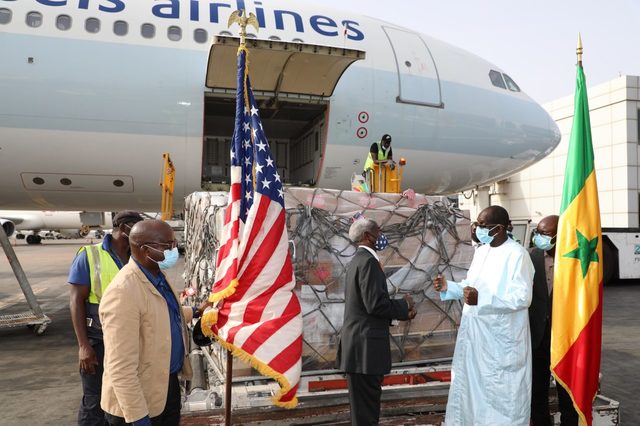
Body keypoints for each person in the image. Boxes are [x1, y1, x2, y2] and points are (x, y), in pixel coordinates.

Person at [433, 205, 534, 425]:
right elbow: (472, 287)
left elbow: (522, 297)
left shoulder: (518, 255)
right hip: (477, 338)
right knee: (471, 395)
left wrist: (484, 300)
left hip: (501, 341)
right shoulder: (482, 251)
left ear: (498, 229)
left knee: (502, 398)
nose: (477, 229)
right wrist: (448, 287)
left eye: (481, 225)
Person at [99, 219, 200, 426]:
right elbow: (120, 366)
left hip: (164, 386)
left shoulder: (157, 275)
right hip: (138, 401)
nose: (174, 250)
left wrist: (198, 311)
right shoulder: (123, 292)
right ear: (145, 250)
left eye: (174, 243)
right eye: (168, 246)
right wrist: (138, 417)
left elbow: (162, 314)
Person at [337, 217, 417, 425]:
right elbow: (375, 304)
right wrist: (403, 305)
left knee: (363, 410)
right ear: (367, 236)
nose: (381, 236)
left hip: (358, 347)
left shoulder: (357, 261)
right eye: (378, 232)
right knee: (367, 412)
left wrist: (399, 313)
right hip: (365, 349)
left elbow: (366, 307)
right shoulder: (368, 263)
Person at [68, 210, 144, 426]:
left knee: (122, 397)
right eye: (138, 229)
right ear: (125, 228)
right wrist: (84, 346)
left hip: (128, 340)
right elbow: (76, 301)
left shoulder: (136, 256)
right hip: (98, 340)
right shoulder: (90, 255)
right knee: (94, 399)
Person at [529, 215, 579, 426]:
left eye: (545, 234)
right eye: (537, 233)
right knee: (537, 392)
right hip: (537, 338)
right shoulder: (531, 257)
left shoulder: (574, 261)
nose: (539, 238)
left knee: (566, 393)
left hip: (564, 341)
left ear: (560, 236)